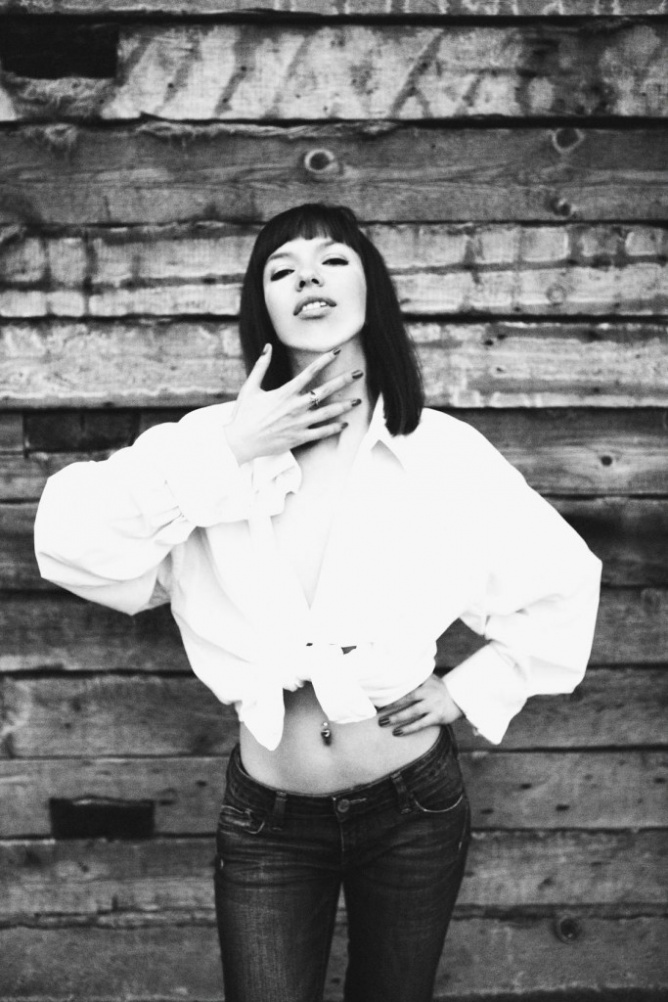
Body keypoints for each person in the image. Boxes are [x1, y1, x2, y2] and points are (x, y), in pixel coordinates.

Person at [34, 203, 602, 1002]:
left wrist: (469, 689)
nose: (308, 276)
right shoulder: (206, 447)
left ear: (371, 290)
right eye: (282, 268)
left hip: (413, 807)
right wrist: (232, 447)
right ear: (261, 306)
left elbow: (562, 580)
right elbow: (68, 541)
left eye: (333, 260)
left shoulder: (441, 453)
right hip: (269, 820)